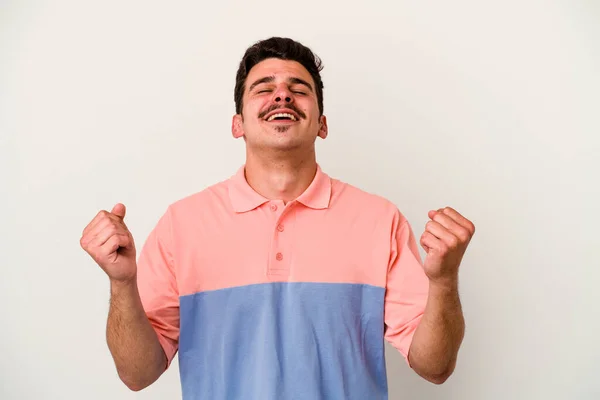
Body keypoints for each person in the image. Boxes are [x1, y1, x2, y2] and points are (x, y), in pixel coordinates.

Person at [80, 37, 475, 399]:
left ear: (322, 124)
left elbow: (435, 367)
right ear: (238, 124)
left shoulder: (380, 220)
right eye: (264, 89)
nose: (282, 95)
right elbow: (137, 374)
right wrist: (122, 283)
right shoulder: (182, 224)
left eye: (299, 90)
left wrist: (443, 280)